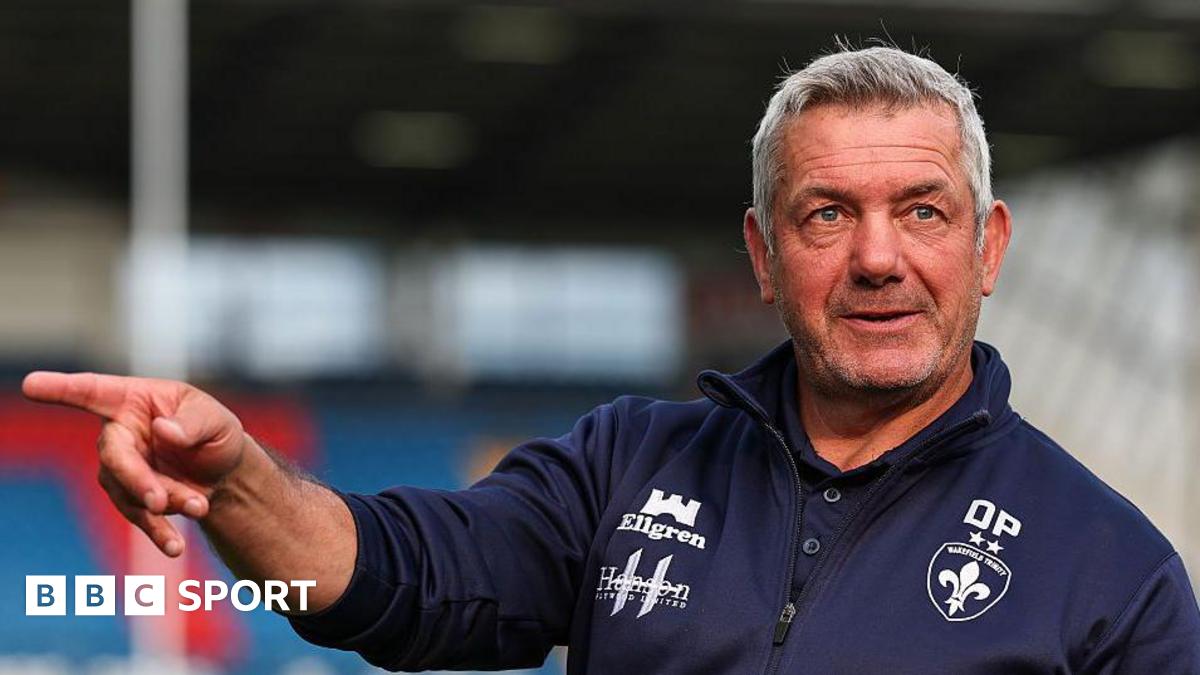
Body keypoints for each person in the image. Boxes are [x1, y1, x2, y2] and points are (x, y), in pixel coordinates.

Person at [23, 45, 1200, 673]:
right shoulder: (627, 462)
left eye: (924, 213)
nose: (878, 259)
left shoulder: (1115, 578)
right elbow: (404, 583)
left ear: (989, 246)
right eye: (827, 215)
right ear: (763, 252)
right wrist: (235, 478)